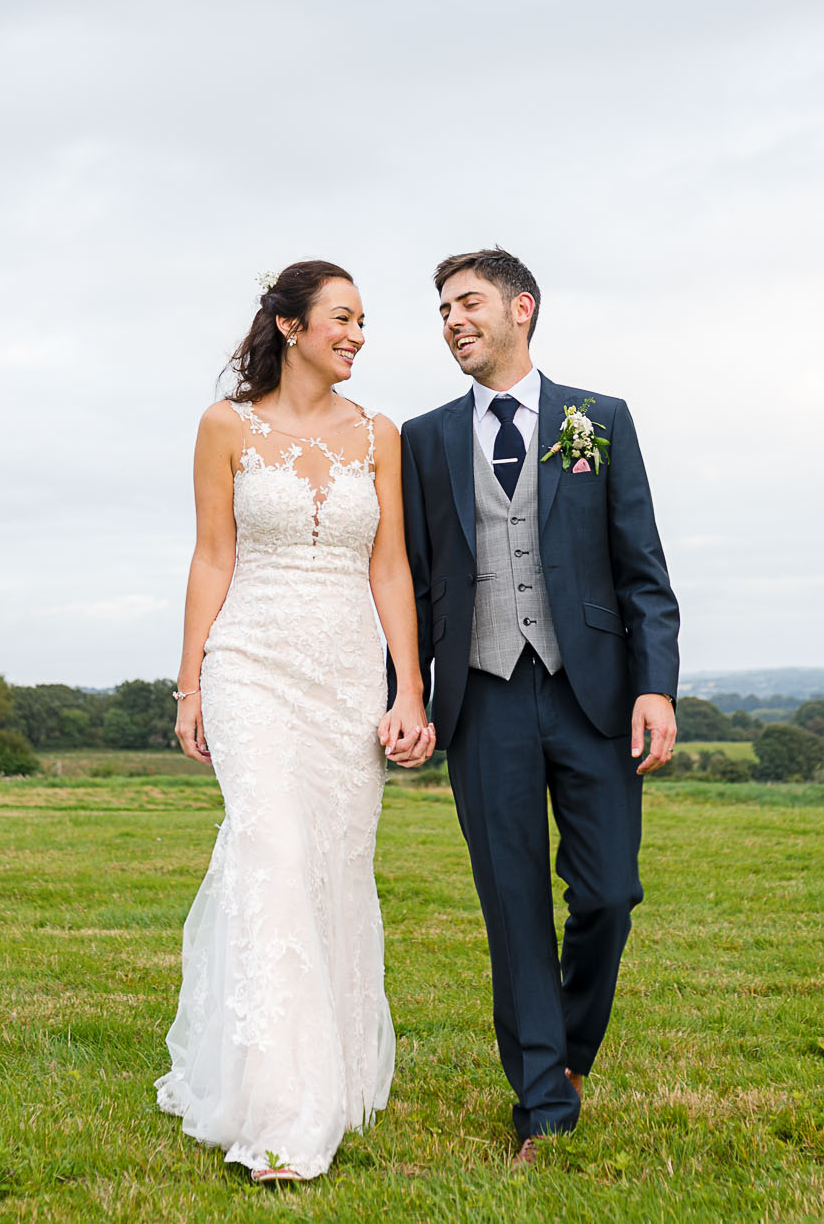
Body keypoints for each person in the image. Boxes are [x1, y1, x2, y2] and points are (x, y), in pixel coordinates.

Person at [398, 248, 680, 1163]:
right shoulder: (423, 438)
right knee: (512, 905)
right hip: (481, 697)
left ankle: (570, 1053)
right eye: (443, 309)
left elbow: (643, 569)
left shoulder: (600, 420)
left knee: (609, 893)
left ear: (522, 307)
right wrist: (408, 692)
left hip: (590, 692)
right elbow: (406, 580)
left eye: (467, 302)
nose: (452, 320)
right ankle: (542, 1106)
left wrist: (655, 684)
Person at [156, 260, 435, 1183]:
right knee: (271, 851)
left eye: (363, 321)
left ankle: (331, 1067)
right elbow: (211, 555)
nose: (356, 334)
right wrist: (191, 682)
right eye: (342, 318)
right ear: (290, 325)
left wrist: (409, 690)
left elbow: (390, 568)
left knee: (331, 864)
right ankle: (280, 1112)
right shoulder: (224, 427)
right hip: (251, 664)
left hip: (349, 672)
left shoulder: (379, 435)